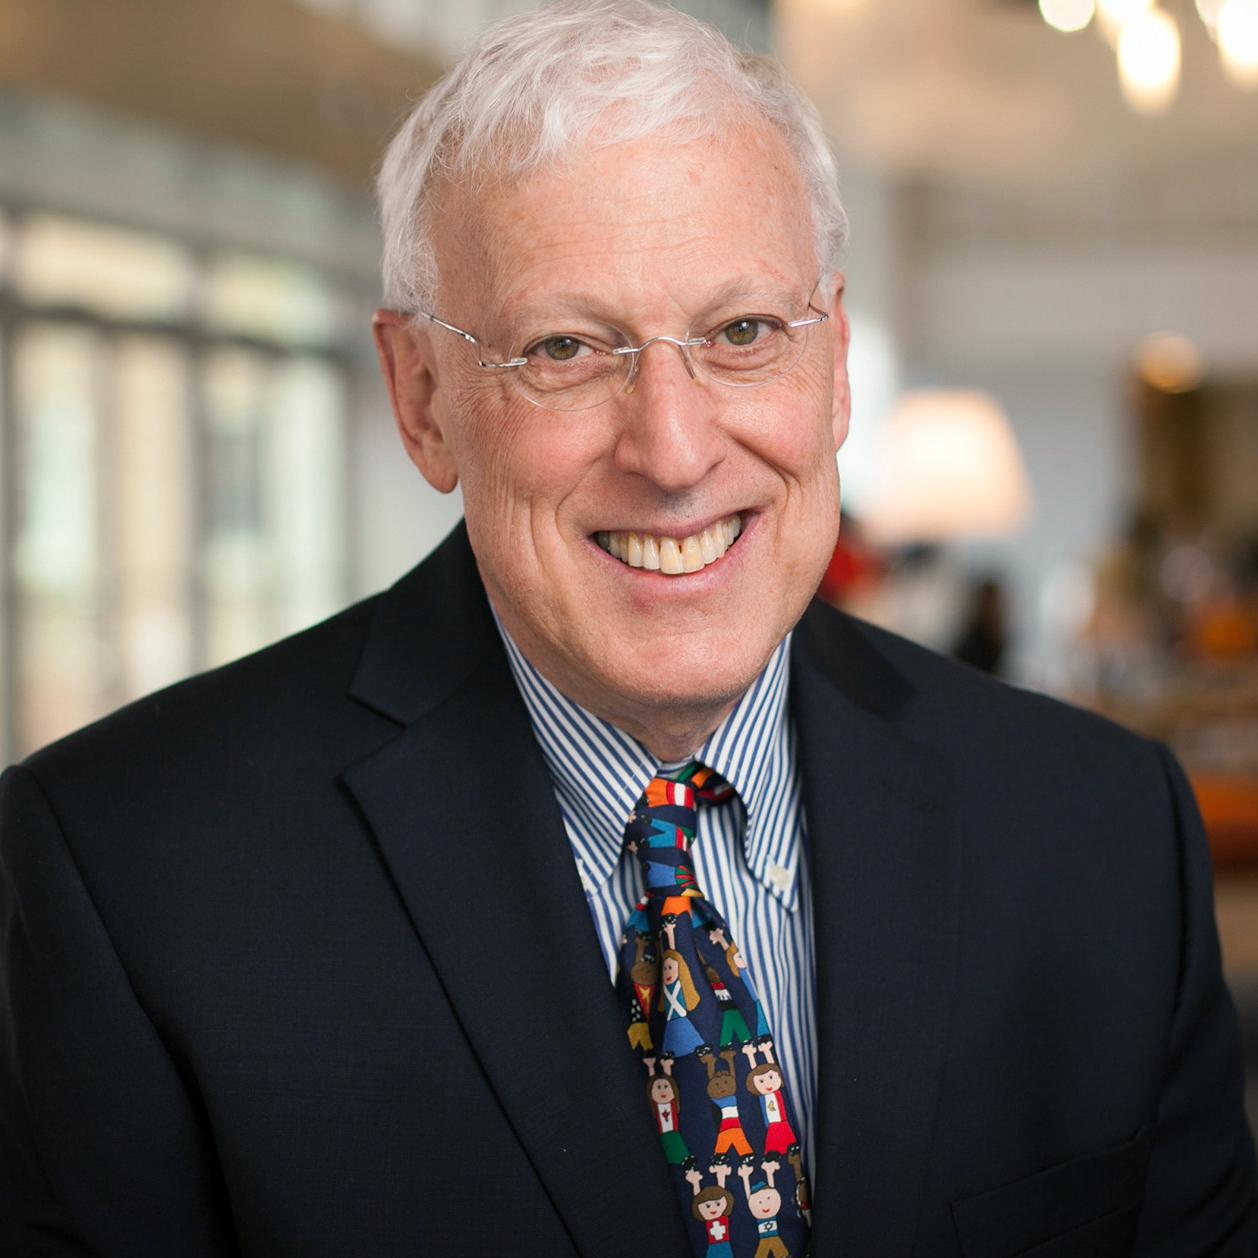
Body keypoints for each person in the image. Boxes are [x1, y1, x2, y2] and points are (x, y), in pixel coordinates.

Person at [1, 1, 1254, 1254]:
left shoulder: (1104, 831)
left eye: (743, 332)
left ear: (836, 370)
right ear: (422, 397)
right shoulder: (120, 880)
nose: (672, 448)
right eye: (565, 348)